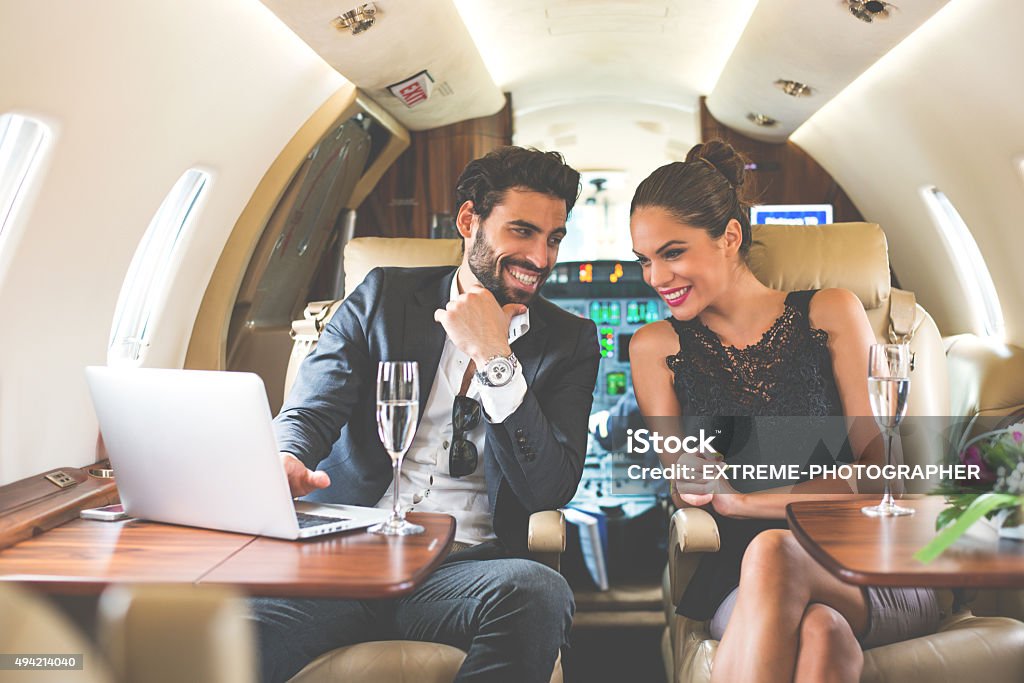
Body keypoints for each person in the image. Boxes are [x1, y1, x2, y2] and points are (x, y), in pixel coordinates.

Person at [252, 146, 601, 683]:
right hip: (351, 561)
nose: (541, 257)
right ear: (470, 220)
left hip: (463, 569)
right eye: (523, 231)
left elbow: (549, 488)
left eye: (554, 238)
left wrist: (496, 359)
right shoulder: (382, 297)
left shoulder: (569, 340)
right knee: (236, 625)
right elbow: (311, 409)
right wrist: (287, 455)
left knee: (538, 591)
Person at [627, 140, 940, 683]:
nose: (655, 278)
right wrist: (693, 477)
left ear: (729, 237)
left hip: (866, 563)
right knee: (821, 632)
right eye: (644, 260)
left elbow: (880, 473)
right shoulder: (654, 348)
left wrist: (747, 504)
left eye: (672, 253)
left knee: (777, 552)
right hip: (743, 579)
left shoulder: (833, 311)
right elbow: (685, 484)